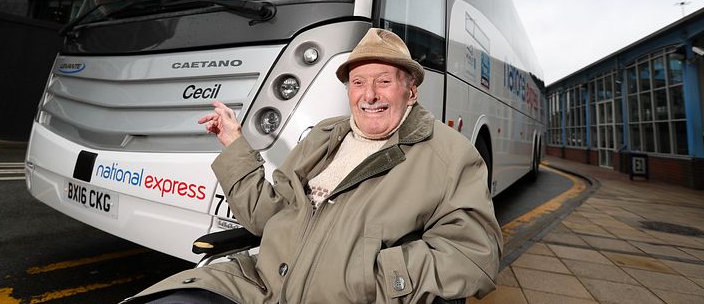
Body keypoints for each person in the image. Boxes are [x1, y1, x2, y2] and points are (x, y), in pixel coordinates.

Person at [126, 28, 502, 303]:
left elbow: (474, 255)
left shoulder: (450, 154)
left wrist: (368, 278)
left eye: (383, 81)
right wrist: (234, 142)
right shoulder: (324, 137)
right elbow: (265, 216)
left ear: (411, 89)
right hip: (258, 286)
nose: (369, 95)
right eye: (358, 83)